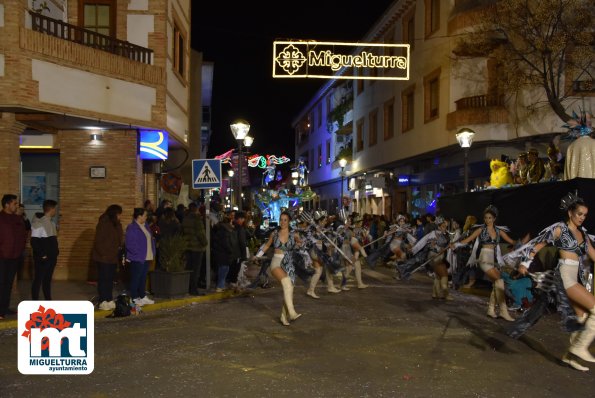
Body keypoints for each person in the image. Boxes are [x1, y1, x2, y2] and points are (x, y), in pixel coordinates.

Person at [515, 192, 595, 371]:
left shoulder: (583, 234)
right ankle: (579, 347)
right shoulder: (560, 229)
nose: (582, 218)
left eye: (584, 215)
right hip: (565, 277)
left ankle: (570, 357)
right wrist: (525, 262)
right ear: (570, 213)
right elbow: (538, 245)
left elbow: (593, 255)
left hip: (574, 278)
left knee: (581, 318)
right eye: (579, 214)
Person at [453, 205, 517, 321]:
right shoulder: (480, 230)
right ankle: (503, 311)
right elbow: (467, 240)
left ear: (494, 219)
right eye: (486, 218)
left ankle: (491, 310)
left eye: (490, 218)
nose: (487, 220)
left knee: (496, 284)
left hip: (492, 259)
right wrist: (456, 244)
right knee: (499, 281)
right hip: (483, 258)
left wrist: (524, 244)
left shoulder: (499, 231)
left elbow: (512, 241)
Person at [254, 211, 303, 326]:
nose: (282, 222)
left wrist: (300, 245)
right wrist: (257, 255)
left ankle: (283, 315)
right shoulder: (274, 233)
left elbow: (301, 244)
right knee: (286, 283)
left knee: (289, 290)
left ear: (289, 221)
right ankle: (292, 312)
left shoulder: (294, 234)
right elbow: (266, 246)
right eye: (281, 219)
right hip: (276, 262)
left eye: (285, 220)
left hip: (289, 263)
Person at [91, 204, 124, 310]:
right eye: (119, 214)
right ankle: (103, 300)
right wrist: (104, 255)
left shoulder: (117, 224)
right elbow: (98, 241)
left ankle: (109, 299)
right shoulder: (103, 223)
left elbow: (119, 238)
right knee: (103, 279)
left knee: (110, 279)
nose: (120, 216)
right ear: (114, 213)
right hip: (103, 258)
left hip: (113, 257)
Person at [0, 194, 27, 319]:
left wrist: (21, 251)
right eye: (15, 203)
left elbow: (23, 236)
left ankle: (4, 308)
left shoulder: (17, 219)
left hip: (15, 257)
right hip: (2, 257)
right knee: (1, 283)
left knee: (9, 284)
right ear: (7, 204)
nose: (17, 206)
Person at [125, 208, 156, 306]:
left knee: (143, 278)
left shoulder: (145, 226)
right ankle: (134, 297)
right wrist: (137, 254)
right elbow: (130, 243)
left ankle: (142, 296)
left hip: (146, 257)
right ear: (139, 216)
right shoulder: (132, 227)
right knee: (136, 278)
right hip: (138, 258)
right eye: (145, 215)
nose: (146, 217)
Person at [30, 199, 59, 300]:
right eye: (55, 209)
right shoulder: (39, 223)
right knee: (38, 279)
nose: (56, 211)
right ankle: (35, 302)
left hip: (51, 257)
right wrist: (42, 255)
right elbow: (34, 241)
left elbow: (52, 241)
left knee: (47, 280)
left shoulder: (51, 223)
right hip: (43, 258)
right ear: (51, 209)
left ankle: (48, 301)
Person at [182, 202, 207, 295]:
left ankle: (188, 287)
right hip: (197, 248)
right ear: (196, 209)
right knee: (196, 270)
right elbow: (201, 234)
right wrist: (205, 243)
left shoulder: (185, 219)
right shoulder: (197, 219)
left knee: (189, 268)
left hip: (188, 247)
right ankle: (193, 289)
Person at [212, 210, 240, 292]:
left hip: (220, 253)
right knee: (224, 269)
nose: (232, 224)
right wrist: (231, 250)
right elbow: (226, 243)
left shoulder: (221, 230)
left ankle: (221, 285)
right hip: (224, 254)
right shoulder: (225, 232)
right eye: (231, 222)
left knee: (223, 269)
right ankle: (220, 286)